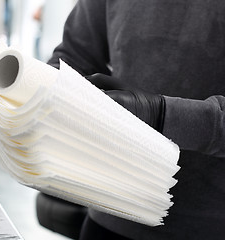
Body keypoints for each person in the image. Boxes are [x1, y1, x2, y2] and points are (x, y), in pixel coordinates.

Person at [47, 0, 225, 239]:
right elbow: (74, 55)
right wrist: (45, 86)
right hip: (109, 214)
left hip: (207, 226)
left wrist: (161, 114)